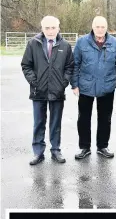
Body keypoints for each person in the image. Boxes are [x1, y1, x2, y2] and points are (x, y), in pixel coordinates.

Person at [21, 15, 74, 165]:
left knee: (55, 122)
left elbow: (70, 66)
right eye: (47, 28)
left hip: (57, 92)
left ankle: (56, 150)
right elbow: (26, 65)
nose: (50, 31)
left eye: (53, 28)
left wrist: (63, 82)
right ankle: (38, 152)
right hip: (38, 91)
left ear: (58, 28)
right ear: (42, 28)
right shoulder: (33, 44)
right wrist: (34, 81)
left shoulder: (65, 45)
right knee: (39, 122)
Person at [70, 16, 116, 160]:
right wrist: (74, 84)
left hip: (107, 87)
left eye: (103, 27)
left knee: (105, 118)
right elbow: (75, 64)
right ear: (92, 27)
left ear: (107, 28)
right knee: (83, 118)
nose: (100, 30)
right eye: (97, 27)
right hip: (85, 87)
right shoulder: (82, 42)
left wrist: (115, 82)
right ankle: (84, 147)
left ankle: (102, 146)